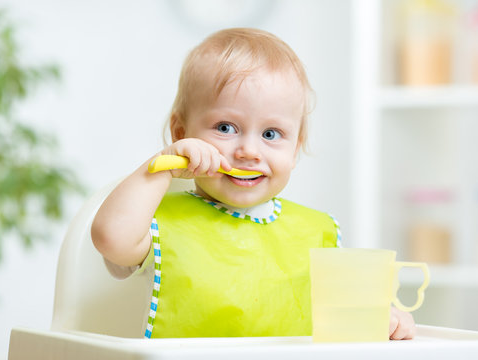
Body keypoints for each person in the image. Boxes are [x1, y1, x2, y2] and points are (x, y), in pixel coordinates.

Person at [91, 28, 415, 340]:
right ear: (181, 133)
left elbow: (346, 312)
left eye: (271, 134)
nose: (249, 151)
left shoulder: (315, 233)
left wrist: (378, 316)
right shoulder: (155, 224)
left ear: (296, 147)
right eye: (226, 127)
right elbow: (110, 238)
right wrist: (163, 166)